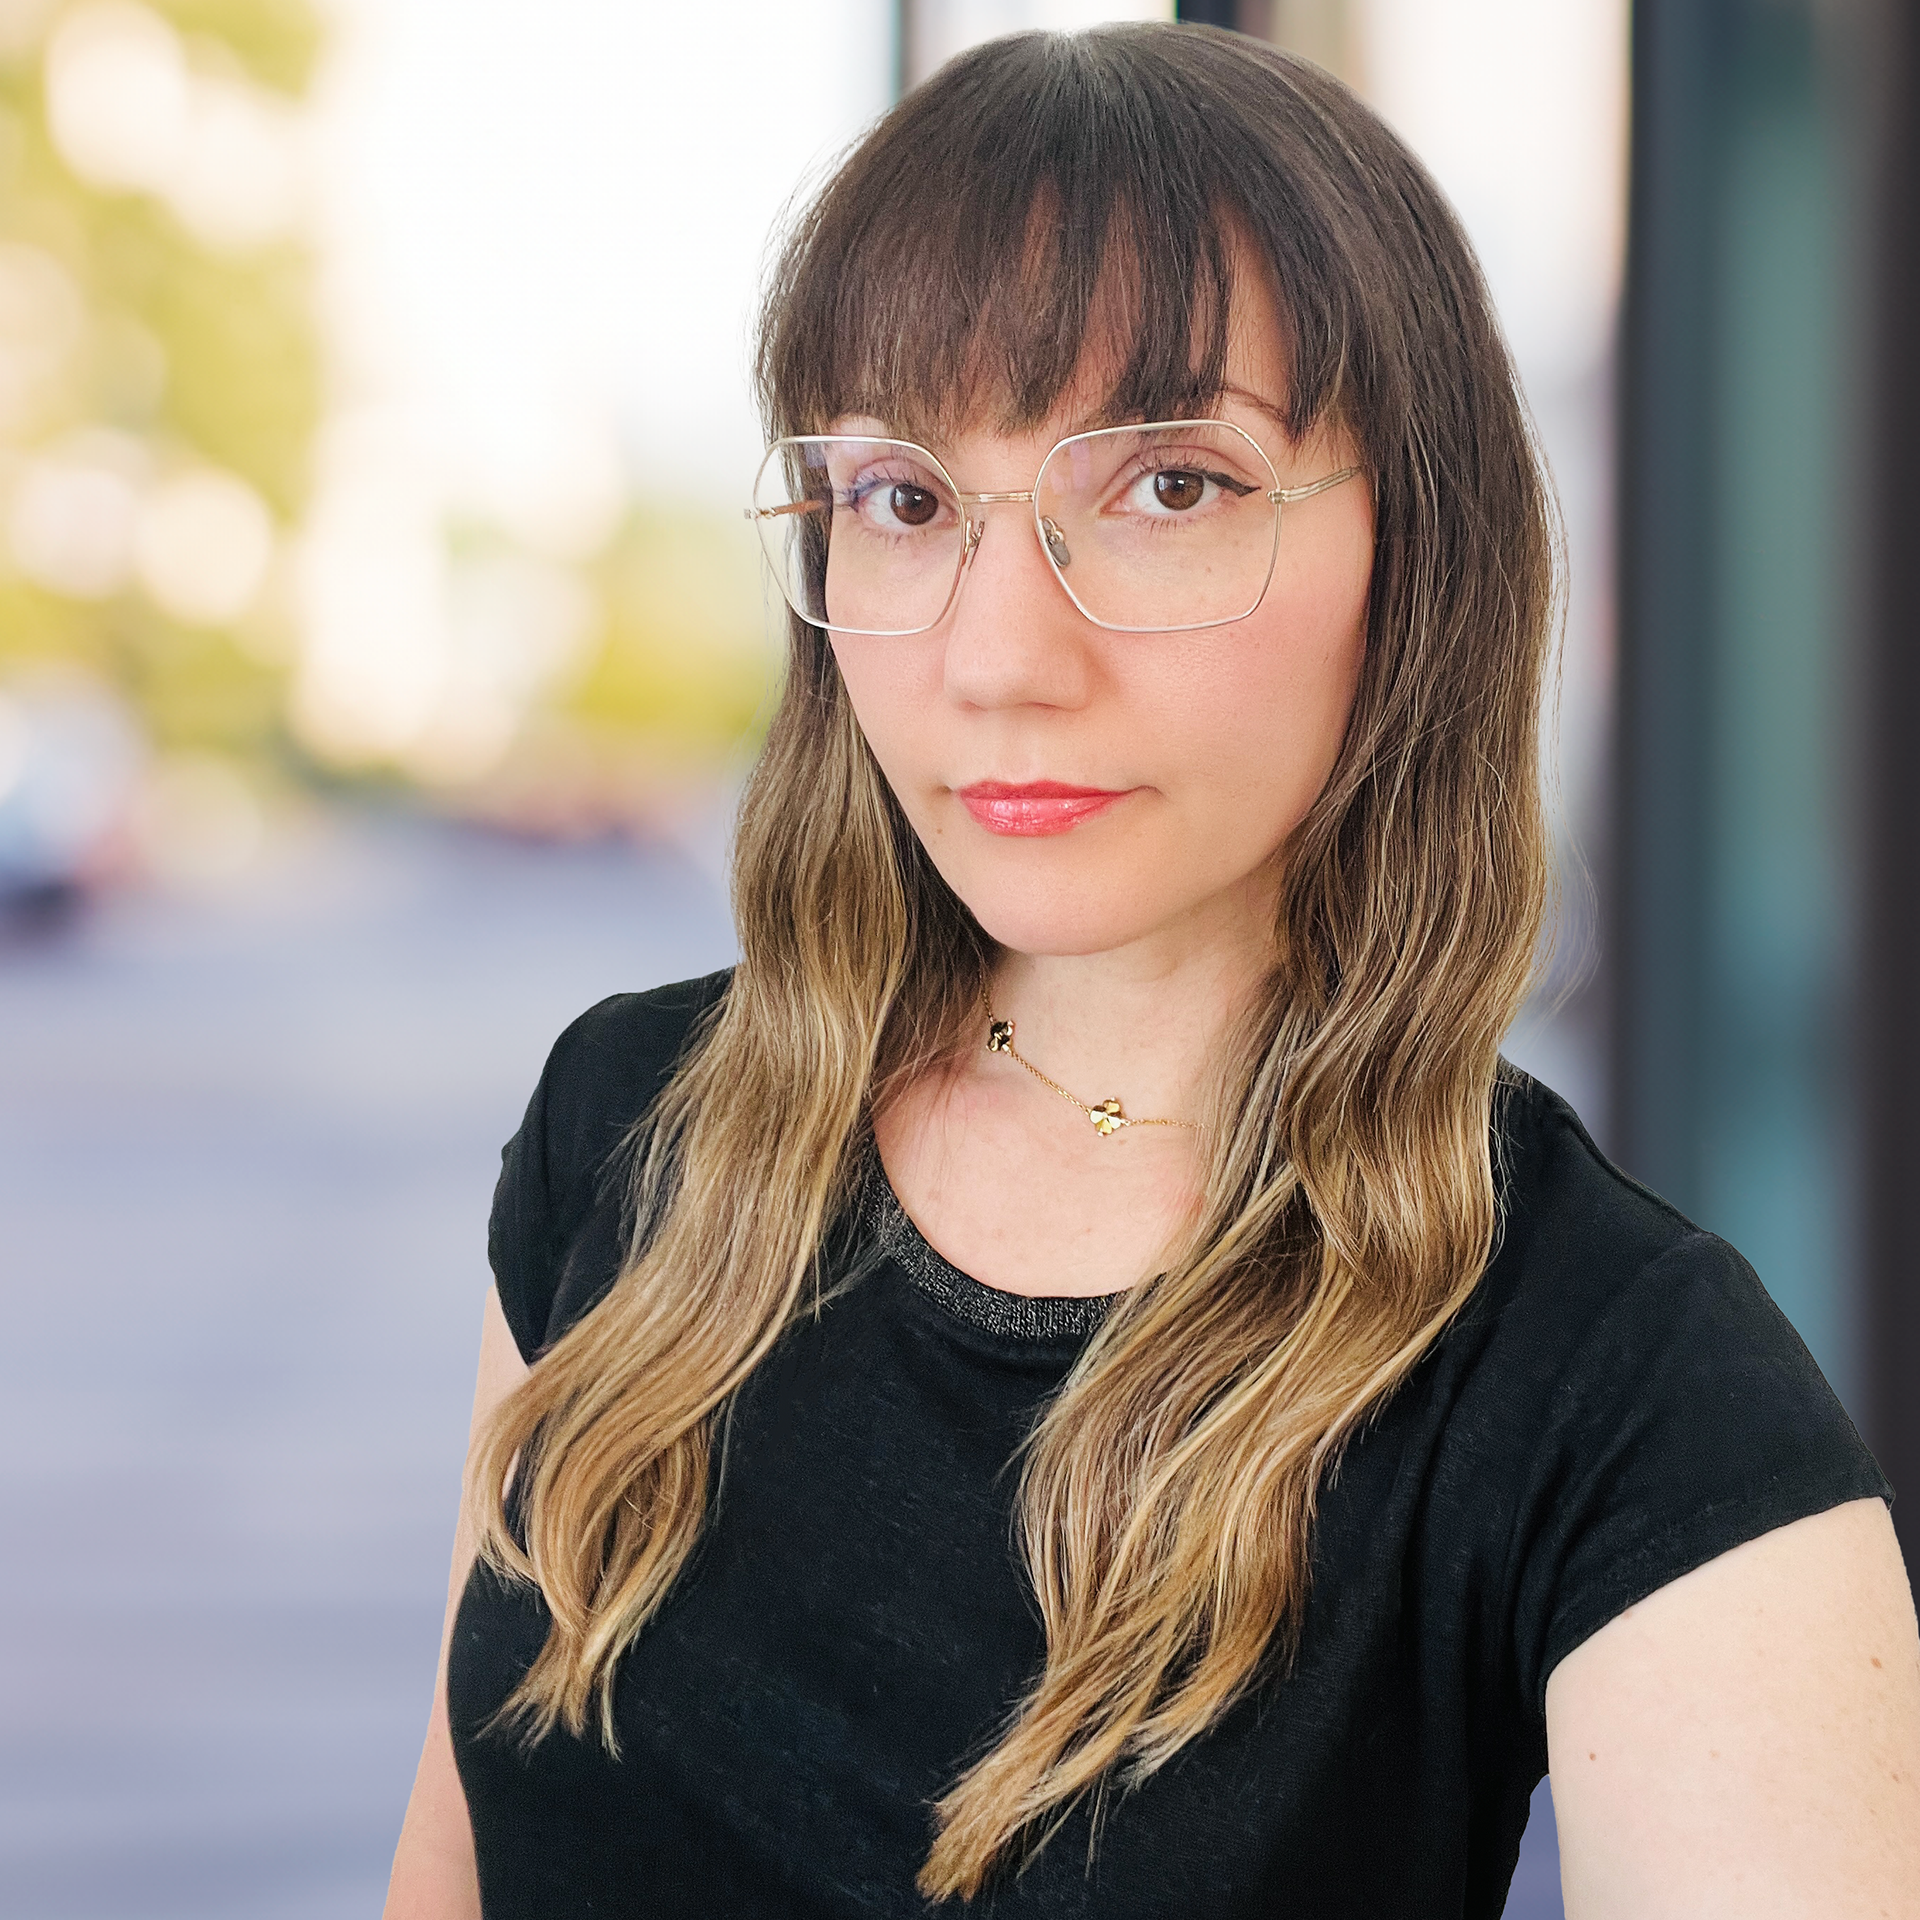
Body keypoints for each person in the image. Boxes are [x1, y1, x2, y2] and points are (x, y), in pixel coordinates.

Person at [383, 24, 1919, 1919]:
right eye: (903, 499)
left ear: (1418, 551)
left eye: (1171, 486)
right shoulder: (630, 1134)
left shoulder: (1622, 1388)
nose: (999, 658)